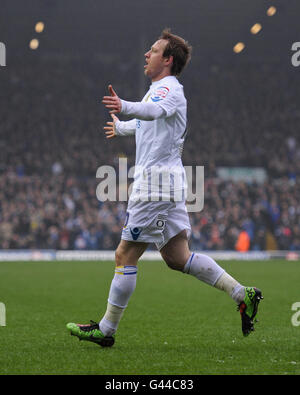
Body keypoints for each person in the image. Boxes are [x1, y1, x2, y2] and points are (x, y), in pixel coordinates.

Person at [67, 29, 263, 347]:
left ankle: (106, 330)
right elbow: (148, 122)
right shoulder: (157, 90)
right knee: (177, 256)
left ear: (167, 60)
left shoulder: (169, 89)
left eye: (153, 50)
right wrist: (122, 126)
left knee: (124, 254)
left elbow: (152, 112)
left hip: (155, 186)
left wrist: (124, 106)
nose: (147, 54)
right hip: (166, 185)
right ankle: (242, 294)